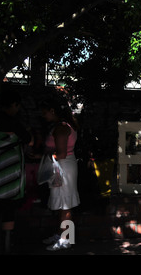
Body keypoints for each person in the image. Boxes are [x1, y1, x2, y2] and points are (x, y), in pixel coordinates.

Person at [0, 88, 32, 254]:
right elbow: (28, 139)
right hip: (10, 174)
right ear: (14, 105)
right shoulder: (14, 123)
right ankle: (7, 244)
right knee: (8, 208)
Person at [40, 97, 79, 251]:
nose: (43, 116)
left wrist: (43, 156)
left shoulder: (61, 128)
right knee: (64, 204)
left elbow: (61, 153)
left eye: (45, 112)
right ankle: (62, 235)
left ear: (52, 111)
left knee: (65, 205)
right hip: (64, 167)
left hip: (63, 168)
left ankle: (66, 239)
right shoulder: (66, 125)